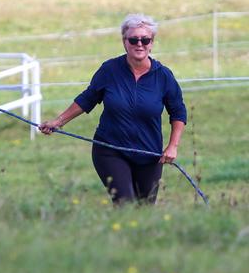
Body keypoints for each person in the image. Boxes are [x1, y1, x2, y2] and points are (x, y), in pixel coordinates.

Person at [38, 14, 187, 204]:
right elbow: (88, 98)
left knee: (145, 210)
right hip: (110, 149)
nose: (139, 44)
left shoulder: (164, 76)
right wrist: (57, 122)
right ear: (124, 42)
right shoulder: (110, 70)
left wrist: (173, 146)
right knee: (125, 205)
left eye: (145, 39)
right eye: (133, 39)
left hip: (149, 154)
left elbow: (178, 112)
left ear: (152, 43)